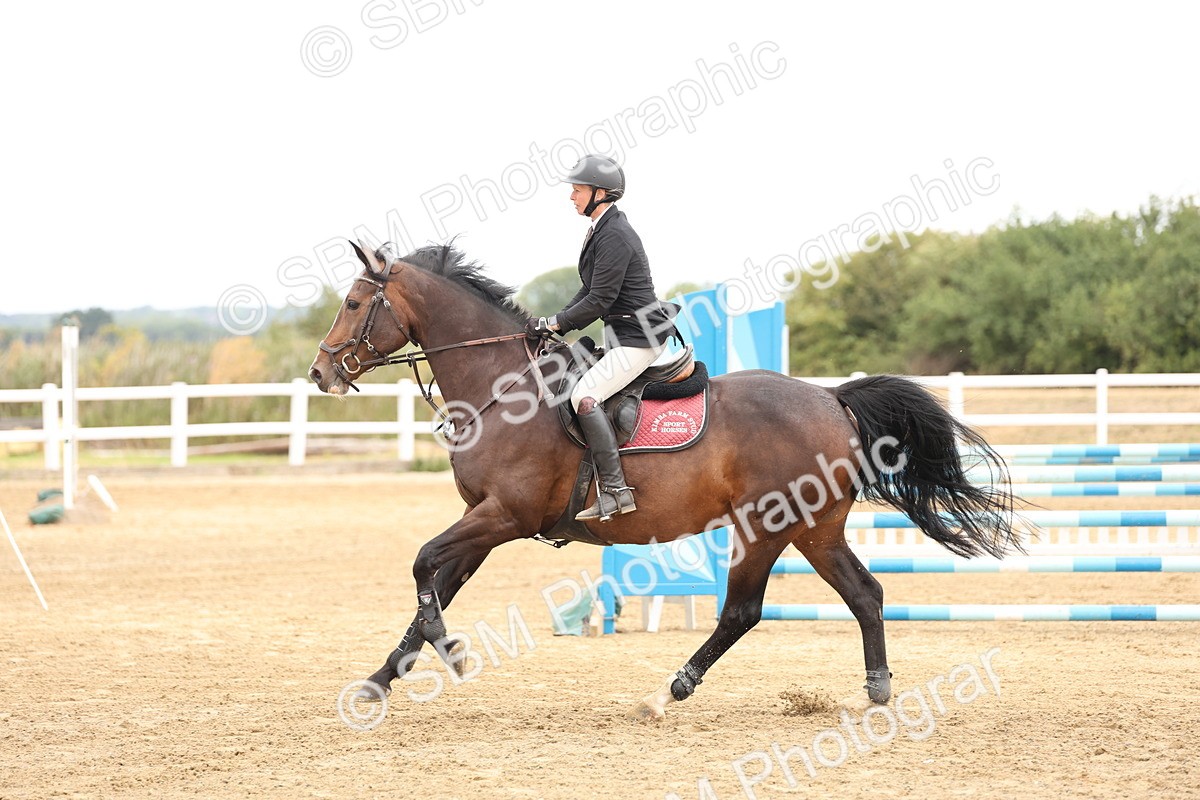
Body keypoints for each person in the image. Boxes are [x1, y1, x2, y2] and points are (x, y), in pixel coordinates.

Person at [525, 154, 680, 522]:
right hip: (621, 336)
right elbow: (588, 289)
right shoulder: (601, 229)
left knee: (584, 396)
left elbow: (600, 300)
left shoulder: (615, 235)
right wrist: (553, 323)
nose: (572, 196)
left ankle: (614, 490)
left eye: (578, 190)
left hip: (639, 339)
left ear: (600, 193)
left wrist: (556, 323)